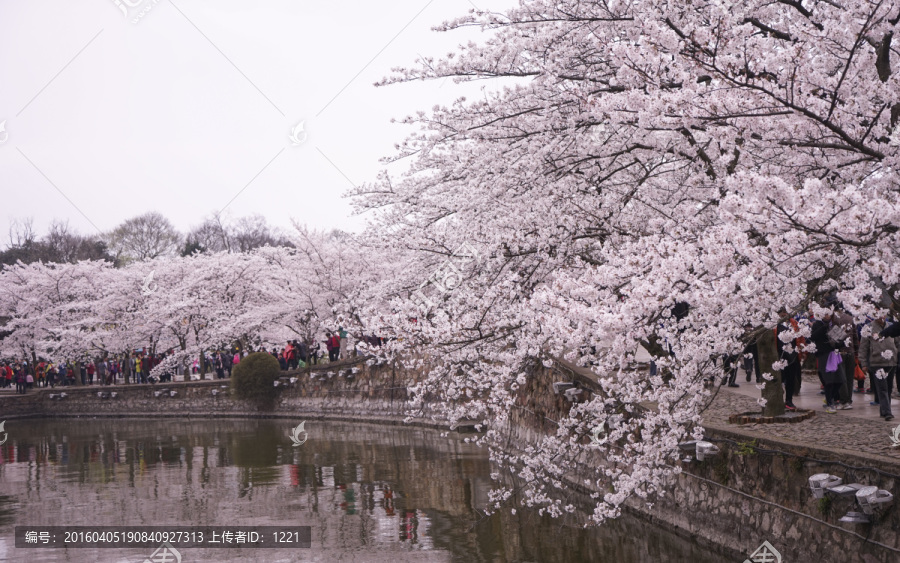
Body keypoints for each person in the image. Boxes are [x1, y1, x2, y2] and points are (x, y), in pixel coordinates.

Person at [859, 317, 898, 421]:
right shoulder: (869, 328)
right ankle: (887, 412)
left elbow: (897, 342)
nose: (881, 317)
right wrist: (863, 363)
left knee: (889, 387)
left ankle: (884, 410)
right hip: (876, 361)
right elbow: (863, 347)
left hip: (891, 361)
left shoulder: (891, 326)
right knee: (882, 388)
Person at [777, 317, 803, 411]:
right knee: (778, 378)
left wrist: (801, 351)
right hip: (779, 355)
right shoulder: (774, 324)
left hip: (793, 355)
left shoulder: (794, 323)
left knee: (791, 379)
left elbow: (800, 338)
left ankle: (789, 400)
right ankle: (778, 399)